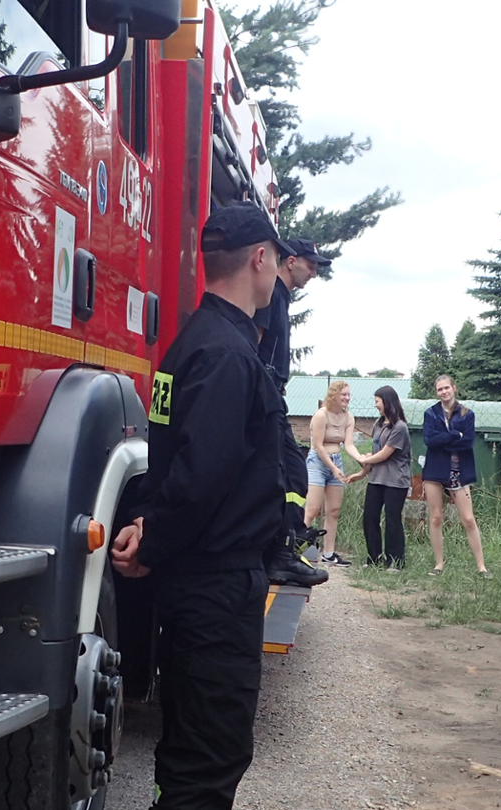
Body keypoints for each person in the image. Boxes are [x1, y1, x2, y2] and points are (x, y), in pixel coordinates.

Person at [106, 201, 289, 809]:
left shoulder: (191, 344)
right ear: (259, 258)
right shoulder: (228, 354)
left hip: (194, 582)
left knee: (189, 745)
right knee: (211, 752)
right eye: (277, 259)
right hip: (217, 587)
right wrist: (154, 540)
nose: (278, 272)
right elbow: (202, 474)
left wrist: (150, 528)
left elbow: (173, 460)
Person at [255, 237, 328, 589]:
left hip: (273, 394)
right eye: (311, 265)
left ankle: (281, 547)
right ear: (291, 261)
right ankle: (281, 554)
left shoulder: (281, 297)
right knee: (293, 473)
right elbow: (253, 344)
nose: (314, 273)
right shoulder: (270, 294)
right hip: (265, 395)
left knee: (289, 474)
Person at [421, 375, 487, 578]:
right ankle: (439, 563)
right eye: (440, 389)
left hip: (460, 471)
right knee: (435, 517)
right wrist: (453, 435)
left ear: (454, 388)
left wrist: (444, 441)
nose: (444, 392)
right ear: (436, 392)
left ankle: (481, 566)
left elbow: (467, 442)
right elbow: (429, 440)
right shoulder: (431, 413)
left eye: (446, 388)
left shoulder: (467, 414)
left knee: (468, 518)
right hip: (435, 471)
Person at [347, 386, 411, 570]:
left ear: (387, 402)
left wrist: (362, 459)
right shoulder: (378, 424)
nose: (375, 405)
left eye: (377, 401)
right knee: (370, 518)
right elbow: (375, 452)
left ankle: (395, 561)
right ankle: (374, 558)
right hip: (376, 479)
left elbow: (384, 454)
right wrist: (362, 473)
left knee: (392, 520)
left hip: (395, 481)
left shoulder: (400, 427)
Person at [304, 380, 354, 567]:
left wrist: (363, 460)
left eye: (348, 395)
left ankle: (328, 553)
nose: (347, 398)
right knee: (312, 509)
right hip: (318, 462)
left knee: (333, 510)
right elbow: (318, 445)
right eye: (344, 394)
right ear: (334, 395)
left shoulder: (349, 417)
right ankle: (296, 549)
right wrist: (333, 468)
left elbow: (349, 444)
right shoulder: (321, 415)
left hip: (336, 460)